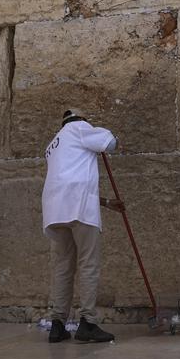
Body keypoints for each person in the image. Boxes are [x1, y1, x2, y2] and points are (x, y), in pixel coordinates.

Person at [42, 109, 122, 344]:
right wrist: (104, 132)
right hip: (80, 211)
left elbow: (69, 184)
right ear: (81, 121)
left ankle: (57, 324)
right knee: (88, 264)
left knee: (63, 267)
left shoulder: (53, 144)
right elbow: (111, 143)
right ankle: (87, 322)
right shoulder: (80, 129)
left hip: (55, 212)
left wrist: (106, 202)